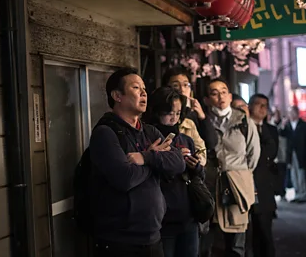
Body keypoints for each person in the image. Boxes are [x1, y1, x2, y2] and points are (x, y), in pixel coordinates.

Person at [89, 67, 185, 257]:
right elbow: (125, 178)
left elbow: (178, 163)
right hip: (120, 241)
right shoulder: (105, 133)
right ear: (117, 95)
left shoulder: (150, 131)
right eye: (135, 88)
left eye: (144, 88)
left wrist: (146, 157)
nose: (143, 93)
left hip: (153, 235)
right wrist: (155, 160)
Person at [201, 78, 261, 257]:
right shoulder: (202, 122)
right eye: (214, 92)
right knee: (206, 242)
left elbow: (253, 154)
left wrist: (239, 173)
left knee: (236, 244)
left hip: (237, 187)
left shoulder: (243, 120)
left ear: (229, 94)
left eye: (224, 91)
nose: (221, 96)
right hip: (210, 186)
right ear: (206, 99)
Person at [142, 86, 204, 257]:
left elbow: (199, 177)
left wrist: (195, 166)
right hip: (163, 220)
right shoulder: (148, 139)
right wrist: (169, 159)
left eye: (178, 113)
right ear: (157, 111)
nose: (174, 118)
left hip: (188, 218)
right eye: (169, 112)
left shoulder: (185, 140)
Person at [246, 94, 279, 257]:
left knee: (265, 232)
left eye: (265, 105)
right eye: (258, 104)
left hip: (264, 189)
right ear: (250, 106)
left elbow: (270, 153)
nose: (262, 108)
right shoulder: (243, 127)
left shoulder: (270, 131)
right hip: (244, 184)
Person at [162, 68, 218, 164]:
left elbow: (211, 143)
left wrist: (202, 117)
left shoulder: (195, 113)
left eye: (186, 85)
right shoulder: (163, 114)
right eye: (175, 85)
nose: (182, 89)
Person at [279, 106, 306, 204]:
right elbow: (281, 133)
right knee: (294, 175)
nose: (291, 115)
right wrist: (283, 125)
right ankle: (297, 194)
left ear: (297, 113)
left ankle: (303, 195)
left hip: (302, 153)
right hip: (291, 154)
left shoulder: (305, 126)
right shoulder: (288, 125)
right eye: (290, 113)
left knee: (302, 174)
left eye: (293, 113)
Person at [269, 108, 289, 202]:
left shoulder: (284, 125)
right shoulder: (270, 125)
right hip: (274, 156)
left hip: (282, 155)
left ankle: (282, 193)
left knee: (282, 175)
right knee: (274, 176)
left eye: (278, 114)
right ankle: (275, 193)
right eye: (275, 114)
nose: (276, 116)